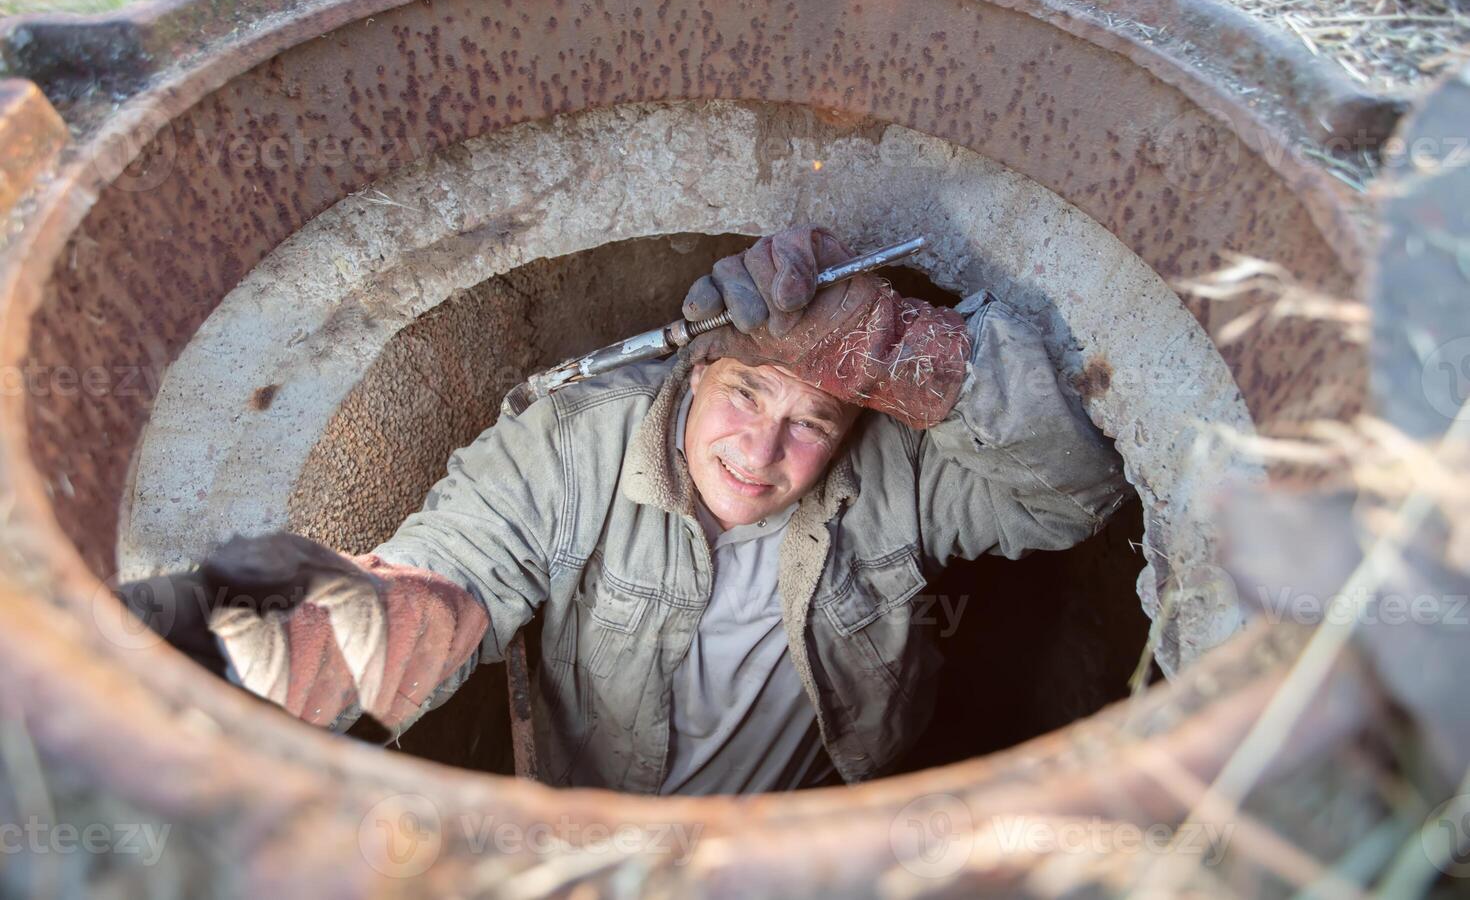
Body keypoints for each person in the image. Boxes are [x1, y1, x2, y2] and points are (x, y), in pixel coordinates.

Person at [123, 225, 1127, 794]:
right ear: (692, 372)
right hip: (595, 855)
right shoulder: (571, 449)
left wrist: (907, 351)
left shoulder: (897, 471)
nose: (764, 449)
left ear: (855, 422)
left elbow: (1075, 493)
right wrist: (239, 654)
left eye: (811, 418)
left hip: (794, 850)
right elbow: (444, 580)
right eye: (744, 394)